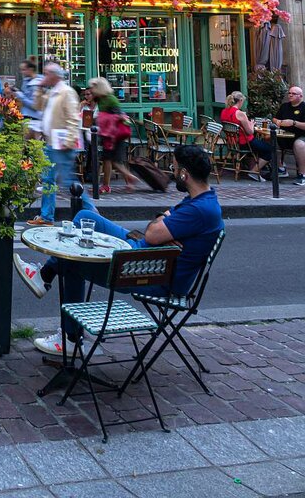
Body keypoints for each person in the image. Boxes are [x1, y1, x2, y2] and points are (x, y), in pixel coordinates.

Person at [15, 144, 224, 356]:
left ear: (184, 174)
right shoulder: (202, 199)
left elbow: (152, 233)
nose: (172, 171)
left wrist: (163, 222)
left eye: (174, 167)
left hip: (151, 273)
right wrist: (164, 223)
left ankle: (70, 338)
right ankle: (45, 279)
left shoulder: (199, 209)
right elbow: (158, 229)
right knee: (84, 218)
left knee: (72, 260)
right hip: (145, 254)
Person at [26, 62, 81, 226]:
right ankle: (47, 217)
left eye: (47, 73)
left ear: (55, 76)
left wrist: (69, 140)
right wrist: (39, 88)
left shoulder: (66, 92)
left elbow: (73, 118)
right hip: (51, 143)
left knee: (67, 181)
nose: (44, 76)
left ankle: (92, 213)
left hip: (61, 144)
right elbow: (37, 106)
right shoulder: (52, 93)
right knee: (48, 179)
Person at [90, 78, 139, 193]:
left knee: (115, 161)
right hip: (107, 134)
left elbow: (119, 115)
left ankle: (129, 178)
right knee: (109, 159)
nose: (91, 90)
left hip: (115, 134)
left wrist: (105, 118)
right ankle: (107, 185)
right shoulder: (100, 99)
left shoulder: (111, 99)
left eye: (93, 87)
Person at [220, 90, 273, 181]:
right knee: (270, 150)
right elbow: (250, 132)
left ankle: (253, 168)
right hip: (245, 142)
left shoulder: (224, 111)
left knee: (260, 146)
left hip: (232, 143)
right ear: (240, 101)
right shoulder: (240, 114)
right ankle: (254, 171)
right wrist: (252, 124)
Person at [273, 84, 305, 185]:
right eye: (289, 93)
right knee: (271, 139)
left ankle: (302, 174)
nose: (290, 95)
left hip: (300, 135)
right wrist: (277, 121)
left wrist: (294, 123)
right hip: (284, 135)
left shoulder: (304, 107)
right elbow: (274, 118)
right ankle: (281, 168)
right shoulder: (284, 106)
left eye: (293, 93)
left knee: (299, 144)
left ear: (300, 96)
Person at [19, 57, 43, 140]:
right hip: (28, 117)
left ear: (31, 69)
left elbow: (34, 105)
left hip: (34, 119)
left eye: (24, 69)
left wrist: (20, 95)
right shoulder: (26, 80)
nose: (22, 72)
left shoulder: (37, 83)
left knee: (32, 148)